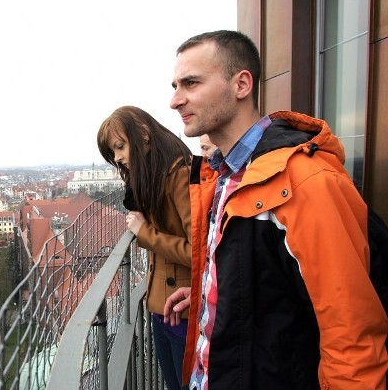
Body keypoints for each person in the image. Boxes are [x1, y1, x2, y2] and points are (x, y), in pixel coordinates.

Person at [163, 30, 388, 389]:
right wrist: (211, 292)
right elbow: (269, 274)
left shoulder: (305, 181)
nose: (175, 101)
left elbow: (352, 333)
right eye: (174, 86)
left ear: (241, 84)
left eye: (190, 83)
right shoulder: (220, 175)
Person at [97, 105, 193, 390]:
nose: (118, 159)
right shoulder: (157, 176)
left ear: (144, 135)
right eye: (113, 153)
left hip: (183, 311)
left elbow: (198, 252)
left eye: (120, 147)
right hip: (162, 308)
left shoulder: (179, 175)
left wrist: (145, 233)